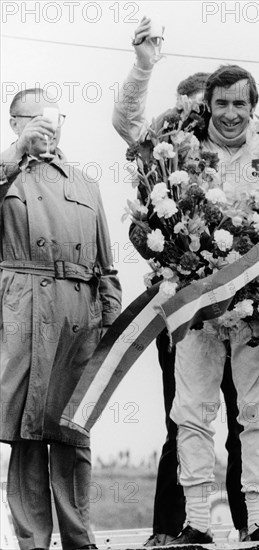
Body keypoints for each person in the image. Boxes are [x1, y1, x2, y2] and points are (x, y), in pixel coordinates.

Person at [112, 18, 259, 546]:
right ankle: (197, 523)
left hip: (255, 311)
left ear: (254, 108)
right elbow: (125, 120)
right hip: (197, 314)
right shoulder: (178, 149)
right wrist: (142, 66)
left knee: (256, 414)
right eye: (221, 104)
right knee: (191, 412)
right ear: (208, 105)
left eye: (240, 106)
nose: (230, 114)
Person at [0, 89, 122, 550]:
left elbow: (106, 262)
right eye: (36, 119)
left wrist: (110, 317)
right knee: (29, 429)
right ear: (16, 123)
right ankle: (32, 540)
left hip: (79, 315)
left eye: (54, 118)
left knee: (74, 426)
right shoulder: (7, 173)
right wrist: (16, 152)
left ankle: (79, 536)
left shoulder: (84, 182)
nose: (48, 127)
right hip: (24, 310)